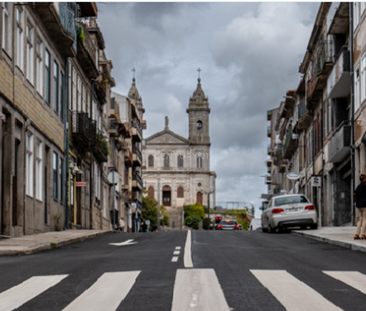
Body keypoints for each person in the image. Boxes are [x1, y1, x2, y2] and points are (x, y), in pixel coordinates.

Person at [353, 174, 366, 240]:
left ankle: (356, 234)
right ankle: (363, 234)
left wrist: (356, 202)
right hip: (365, 204)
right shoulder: (365, 186)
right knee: (365, 219)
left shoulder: (358, 186)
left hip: (359, 205)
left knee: (360, 219)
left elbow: (354, 194)